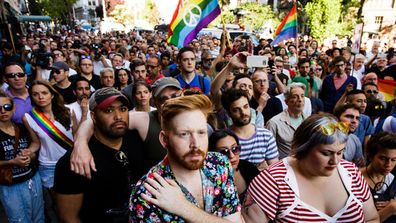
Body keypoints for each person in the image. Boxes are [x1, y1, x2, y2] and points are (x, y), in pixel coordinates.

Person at [242, 114, 379, 222]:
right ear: (303, 148)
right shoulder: (271, 182)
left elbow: (372, 218)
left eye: (340, 152)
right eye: (326, 153)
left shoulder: (351, 172)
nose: (335, 161)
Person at [130, 95, 243, 222]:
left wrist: (184, 208)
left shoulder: (219, 164)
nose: (196, 144)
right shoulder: (148, 193)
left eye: (201, 132)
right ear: (164, 140)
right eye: (184, 134)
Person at [54, 87, 147, 223]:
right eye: (108, 110)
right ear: (93, 117)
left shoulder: (138, 139)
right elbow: (68, 218)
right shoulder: (74, 162)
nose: (118, 116)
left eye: (122, 109)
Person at [70, 77, 182, 179]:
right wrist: (81, 144)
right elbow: (93, 121)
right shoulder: (145, 120)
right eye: (163, 99)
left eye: (175, 96)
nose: (171, 102)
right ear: (155, 101)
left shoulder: (197, 116)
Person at [23, 80, 75, 221]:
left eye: (44, 93)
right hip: (49, 166)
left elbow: (77, 138)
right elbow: (35, 143)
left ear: (52, 94)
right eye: (35, 94)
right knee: (59, 206)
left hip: (72, 162)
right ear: (31, 97)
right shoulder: (29, 118)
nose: (40, 97)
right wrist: (28, 151)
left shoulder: (69, 111)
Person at [0, 90, 44, 223]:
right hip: (10, 186)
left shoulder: (22, 127)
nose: (3, 111)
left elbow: (35, 146)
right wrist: (13, 162)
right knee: (19, 220)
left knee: (39, 218)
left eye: (7, 107)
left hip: (32, 179)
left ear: (13, 108)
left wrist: (30, 155)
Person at [221, 88, 279, 169]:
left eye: (245, 107)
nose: (243, 113)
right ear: (228, 113)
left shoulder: (266, 135)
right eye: (236, 110)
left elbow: (274, 170)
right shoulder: (223, 139)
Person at [208, 129, 259, 201]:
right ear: (212, 154)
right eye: (224, 152)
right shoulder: (208, 180)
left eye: (235, 149)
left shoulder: (249, 168)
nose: (231, 156)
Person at [361, 132, 396, 223]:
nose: (389, 165)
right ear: (370, 156)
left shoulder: (392, 179)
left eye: (394, 160)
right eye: (383, 158)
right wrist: (390, 209)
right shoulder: (355, 180)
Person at [266, 83, 307, 159]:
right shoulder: (274, 123)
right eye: (295, 97)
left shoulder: (308, 121)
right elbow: (268, 152)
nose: (300, 100)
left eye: (302, 96)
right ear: (286, 101)